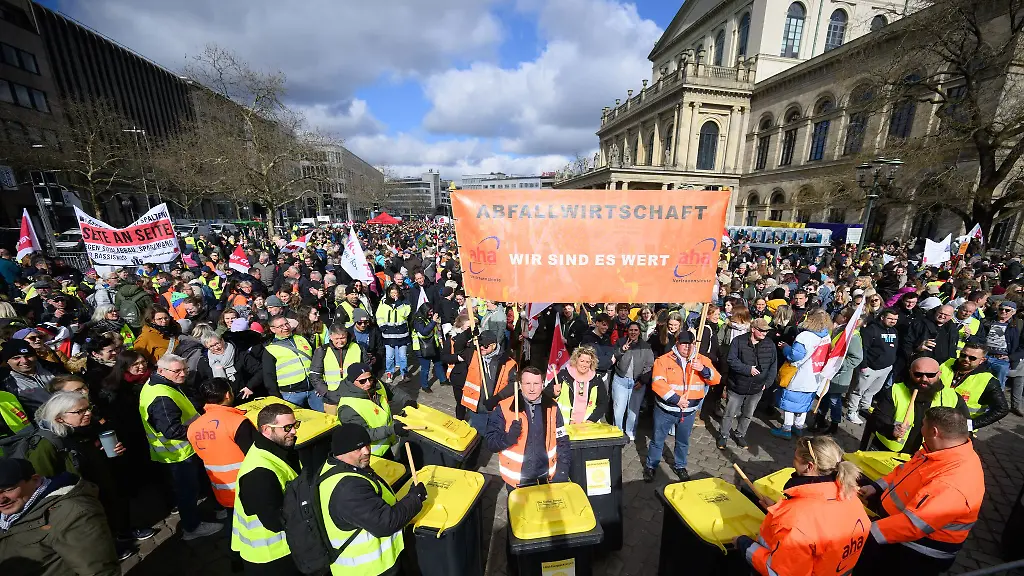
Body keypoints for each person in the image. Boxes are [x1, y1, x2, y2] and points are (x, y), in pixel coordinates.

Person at [855, 407, 985, 575]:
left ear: (934, 431)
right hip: (897, 533)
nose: (919, 428)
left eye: (922, 424)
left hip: (917, 552)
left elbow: (913, 525)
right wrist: (876, 487)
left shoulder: (952, 482)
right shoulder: (939, 451)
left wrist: (865, 532)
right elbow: (904, 470)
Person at [735, 436, 870, 576]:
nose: (793, 462)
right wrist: (779, 509)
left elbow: (778, 572)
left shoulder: (796, 522)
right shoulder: (851, 498)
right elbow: (821, 525)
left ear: (809, 466)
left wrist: (744, 544)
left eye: (795, 458)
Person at [317, 423, 427, 576]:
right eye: (358, 448)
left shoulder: (337, 468)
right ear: (342, 452)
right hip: (369, 570)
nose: (367, 451)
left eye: (367, 445)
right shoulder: (347, 489)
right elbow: (385, 522)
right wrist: (416, 498)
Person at [139, 353, 223, 540]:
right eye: (177, 371)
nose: (183, 374)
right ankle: (192, 528)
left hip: (179, 451)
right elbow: (171, 430)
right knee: (187, 491)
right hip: (178, 453)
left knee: (190, 488)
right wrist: (202, 430)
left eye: (185, 369)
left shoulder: (160, 384)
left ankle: (200, 515)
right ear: (161, 370)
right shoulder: (161, 396)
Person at [0, 457, 120, 575]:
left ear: (35, 480)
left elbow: (99, 572)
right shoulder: (12, 512)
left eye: (8, 489)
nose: (1, 500)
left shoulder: (71, 513)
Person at [231, 403, 302, 576]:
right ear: (266, 429)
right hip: (272, 558)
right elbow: (274, 521)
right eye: (287, 427)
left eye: (295, 425)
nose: (293, 431)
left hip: (281, 551)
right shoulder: (258, 473)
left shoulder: (278, 450)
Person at [644, 331, 721, 483]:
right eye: (683, 343)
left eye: (690, 344)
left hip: (689, 412)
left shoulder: (701, 360)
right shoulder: (663, 360)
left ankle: (680, 466)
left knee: (683, 441)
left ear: (694, 344)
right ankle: (651, 466)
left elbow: (716, 379)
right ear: (677, 343)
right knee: (657, 440)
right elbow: (658, 383)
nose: (687, 347)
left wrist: (703, 370)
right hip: (665, 410)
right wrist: (676, 399)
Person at [485, 367, 571, 490]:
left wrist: (562, 470)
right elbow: (491, 443)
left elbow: (562, 441)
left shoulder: (552, 407)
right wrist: (508, 438)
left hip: (546, 477)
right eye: (527, 383)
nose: (532, 388)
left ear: (542, 384)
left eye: (536, 383)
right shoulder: (504, 408)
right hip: (516, 480)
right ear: (520, 385)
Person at [864, 357, 969, 454]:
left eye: (930, 375)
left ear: (939, 374)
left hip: (925, 456)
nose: (924, 379)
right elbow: (877, 418)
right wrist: (891, 430)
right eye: (918, 374)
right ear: (910, 372)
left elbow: (967, 426)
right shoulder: (895, 390)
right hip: (888, 451)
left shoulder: (953, 397)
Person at [188, 378, 256, 510]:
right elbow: (256, 454)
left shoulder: (194, 427)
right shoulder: (237, 422)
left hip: (221, 489)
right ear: (227, 395)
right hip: (248, 487)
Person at [771, 309, 833, 439]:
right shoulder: (826, 336)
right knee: (804, 403)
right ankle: (798, 427)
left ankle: (786, 428)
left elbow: (795, 355)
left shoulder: (805, 336)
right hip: (815, 376)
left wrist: (785, 348)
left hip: (799, 375)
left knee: (790, 401)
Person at [719, 318, 778, 449]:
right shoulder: (738, 341)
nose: (764, 333)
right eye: (762, 330)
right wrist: (747, 369)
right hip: (737, 385)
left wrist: (767, 383)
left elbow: (773, 366)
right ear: (753, 329)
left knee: (748, 414)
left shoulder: (770, 344)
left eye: (766, 331)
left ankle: (740, 434)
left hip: (757, 388)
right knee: (730, 412)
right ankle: (723, 435)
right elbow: (731, 360)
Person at [332, 363, 410, 459]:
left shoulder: (376, 385)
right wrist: (392, 430)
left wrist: (407, 400)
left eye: (370, 379)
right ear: (352, 381)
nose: (368, 383)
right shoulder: (347, 408)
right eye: (362, 381)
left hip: (386, 446)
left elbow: (392, 390)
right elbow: (363, 433)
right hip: (368, 456)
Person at [812, 307, 864, 434]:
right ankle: (820, 420)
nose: (837, 315)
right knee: (823, 397)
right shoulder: (838, 328)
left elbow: (856, 358)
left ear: (845, 318)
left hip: (839, 375)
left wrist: (837, 364)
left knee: (834, 401)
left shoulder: (853, 336)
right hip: (828, 372)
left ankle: (834, 425)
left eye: (840, 314)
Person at [846, 308, 899, 424]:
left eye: (895, 319)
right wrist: (864, 366)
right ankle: (851, 412)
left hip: (886, 368)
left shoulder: (894, 331)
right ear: (882, 317)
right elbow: (863, 349)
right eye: (890, 318)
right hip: (870, 367)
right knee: (858, 391)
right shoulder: (871, 330)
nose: (893, 321)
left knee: (872, 391)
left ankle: (864, 409)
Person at [939, 343, 1008, 429]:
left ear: (982, 360)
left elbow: (1002, 409)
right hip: (932, 419)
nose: (966, 359)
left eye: (972, 358)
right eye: (963, 355)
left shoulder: (988, 380)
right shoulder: (945, 363)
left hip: (957, 429)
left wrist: (970, 425)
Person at [263, 315, 323, 412]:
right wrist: (277, 398)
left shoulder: (302, 339)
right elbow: (269, 377)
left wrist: (321, 385)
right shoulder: (270, 349)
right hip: (290, 394)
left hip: (313, 390)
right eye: (281, 326)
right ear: (273, 329)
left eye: (286, 324)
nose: (286, 328)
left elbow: (316, 363)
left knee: (324, 419)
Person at [464, 331, 518, 435]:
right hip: (477, 408)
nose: (481, 348)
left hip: (496, 408)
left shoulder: (508, 362)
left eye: (485, 345)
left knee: (493, 435)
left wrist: (497, 398)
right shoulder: (474, 355)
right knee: (476, 434)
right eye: (480, 345)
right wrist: (468, 332)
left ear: (493, 345)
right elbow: (458, 347)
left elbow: (514, 385)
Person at [610, 322, 654, 440]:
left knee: (633, 410)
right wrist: (622, 350)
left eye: (635, 330)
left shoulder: (645, 346)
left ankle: (630, 430)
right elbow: (613, 357)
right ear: (627, 331)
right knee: (618, 409)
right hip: (621, 380)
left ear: (639, 332)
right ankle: (617, 431)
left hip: (637, 382)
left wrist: (643, 380)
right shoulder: (620, 342)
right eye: (631, 330)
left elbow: (649, 365)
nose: (633, 332)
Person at [311, 322, 366, 414]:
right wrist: (326, 393)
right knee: (333, 424)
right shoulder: (322, 351)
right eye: (337, 338)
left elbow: (367, 369)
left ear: (347, 335)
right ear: (330, 337)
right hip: (331, 398)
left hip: (354, 395)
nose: (340, 342)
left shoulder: (358, 348)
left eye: (343, 338)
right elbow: (315, 375)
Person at [195, 332, 263, 402]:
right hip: (219, 402)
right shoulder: (204, 362)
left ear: (222, 340)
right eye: (211, 346)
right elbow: (202, 383)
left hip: (243, 397)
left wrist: (250, 387)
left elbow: (260, 370)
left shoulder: (240, 355)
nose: (216, 348)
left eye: (217, 343)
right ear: (207, 347)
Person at [1, 338, 62, 414]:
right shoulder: (6, 384)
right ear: (7, 361)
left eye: (28, 356)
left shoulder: (53, 369)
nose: (24, 361)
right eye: (16, 358)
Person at [552, 346, 609, 425]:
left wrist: (592, 419)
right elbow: (547, 396)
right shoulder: (563, 375)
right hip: (565, 425)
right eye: (582, 361)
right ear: (576, 360)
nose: (584, 364)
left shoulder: (597, 379)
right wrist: (554, 393)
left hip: (588, 426)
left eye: (587, 362)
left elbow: (603, 403)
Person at [376, 284, 411, 384]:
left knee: (403, 355)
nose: (394, 295)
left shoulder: (405, 302)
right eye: (392, 293)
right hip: (389, 334)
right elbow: (379, 315)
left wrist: (398, 303)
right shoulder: (383, 302)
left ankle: (404, 373)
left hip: (402, 333)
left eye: (396, 293)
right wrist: (383, 327)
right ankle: (389, 373)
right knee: (389, 356)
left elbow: (405, 314)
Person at [983, 300, 1021, 388]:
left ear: (1013, 312)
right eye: (1001, 309)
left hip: (1002, 359)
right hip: (985, 356)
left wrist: (1011, 357)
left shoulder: (1018, 325)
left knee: (998, 387)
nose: (1003, 312)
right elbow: (981, 337)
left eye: (1007, 310)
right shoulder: (987, 321)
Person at [411, 303, 447, 392]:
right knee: (425, 368)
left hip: (433, 345)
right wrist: (433, 321)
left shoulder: (428, 318)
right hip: (422, 348)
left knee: (438, 363)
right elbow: (424, 332)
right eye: (429, 311)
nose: (431, 313)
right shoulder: (418, 320)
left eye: (432, 311)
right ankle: (424, 385)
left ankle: (443, 380)